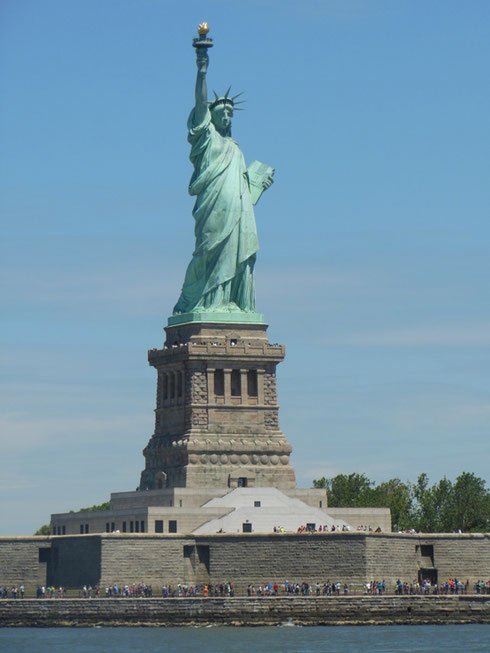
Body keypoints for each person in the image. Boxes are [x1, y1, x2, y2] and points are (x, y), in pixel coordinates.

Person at [173, 44, 273, 316]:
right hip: (213, 207)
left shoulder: (236, 148)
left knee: (236, 252)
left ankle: (229, 302)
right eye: (222, 112)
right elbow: (199, 102)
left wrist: (257, 186)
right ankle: (203, 301)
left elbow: (243, 190)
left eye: (230, 113)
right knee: (208, 252)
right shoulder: (207, 138)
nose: (227, 116)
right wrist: (201, 70)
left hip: (238, 211)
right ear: (211, 116)